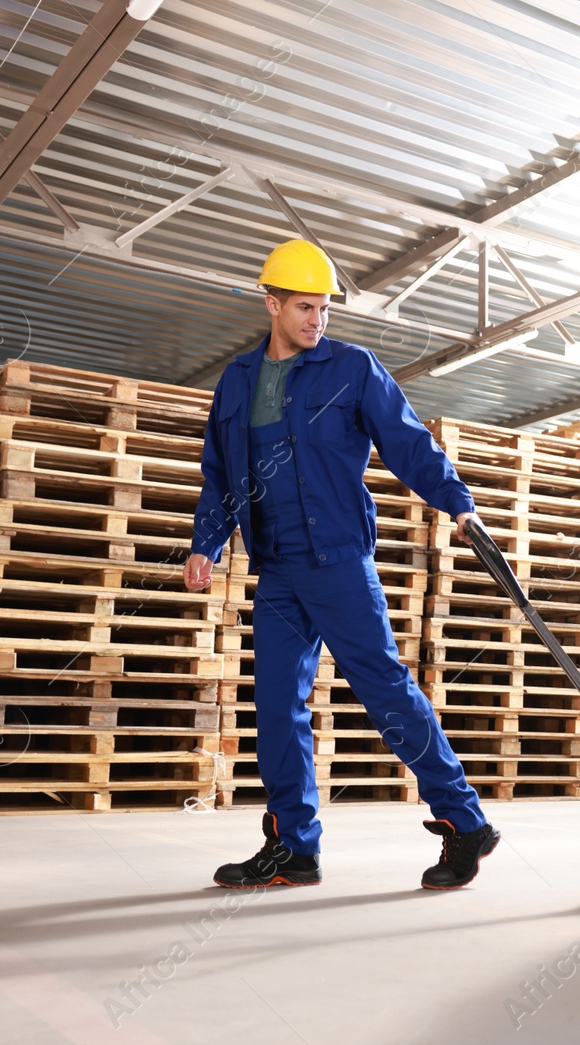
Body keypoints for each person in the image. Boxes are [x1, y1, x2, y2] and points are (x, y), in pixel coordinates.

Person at [185, 239, 499, 891]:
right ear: (271, 304)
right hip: (276, 571)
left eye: (324, 308)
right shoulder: (239, 381)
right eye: (303, 307)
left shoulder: (352, 369)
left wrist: (458, 503)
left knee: (386, 691)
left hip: (338, 563)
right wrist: (205, 543)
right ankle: (294, 846)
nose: (316, 319)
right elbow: (218, 473)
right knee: (275, 707)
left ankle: (464, 820)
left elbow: (410, 443)